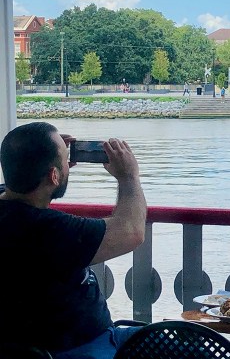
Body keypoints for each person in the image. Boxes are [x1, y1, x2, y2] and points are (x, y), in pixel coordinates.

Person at [0, 122, 147, 358]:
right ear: (54, 175)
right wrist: (129, 177)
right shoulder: (48, 229)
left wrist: (52, 166)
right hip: (79, 348)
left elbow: (26, 187)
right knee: (199, 349)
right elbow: (131, 231)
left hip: (30, 344)